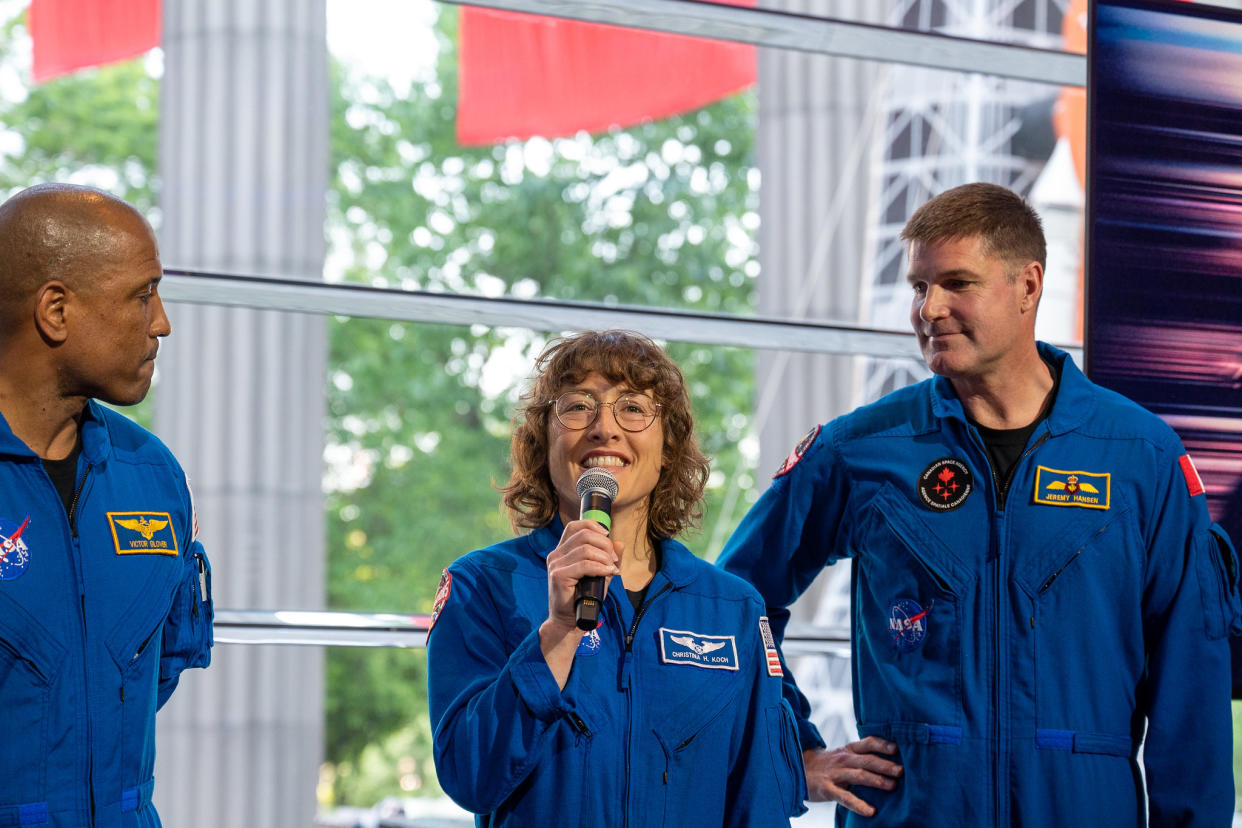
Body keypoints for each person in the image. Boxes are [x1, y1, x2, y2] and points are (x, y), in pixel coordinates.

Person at [719, 182, 1238, 826]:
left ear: (1028, 285)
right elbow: (732, 607)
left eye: (955, 282)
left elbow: (1193, 673)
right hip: (913, 812)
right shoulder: (860, 450)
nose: (928, 308)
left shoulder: (1141, 457)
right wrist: (791, 747)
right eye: (918, 287)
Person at [427, 330, 807, 827]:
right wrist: (558, 633)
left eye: (632, 408)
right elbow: (467, 776)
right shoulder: (483, 586)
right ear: (544, 441)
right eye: (578, 407)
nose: (604, 428)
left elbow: (758, 806)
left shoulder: (733, 608)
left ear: (668, 444)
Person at [0, 183, 213, 827]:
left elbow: (160, 665)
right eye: (142, 294)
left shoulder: (153, 475)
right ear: (56, 311)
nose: (161, 322)